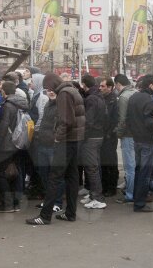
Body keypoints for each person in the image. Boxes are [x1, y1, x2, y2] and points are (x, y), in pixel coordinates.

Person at [28, 73, 85, 225]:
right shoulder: (72, 90)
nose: (48, 91)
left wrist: (57, 137)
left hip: (65, 141)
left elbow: (66, 121)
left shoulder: (64, 94)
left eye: (48, 88)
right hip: (75, 139)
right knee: (72, 178)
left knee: (54, 177)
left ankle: (45, 216)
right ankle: (70, 213)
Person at [0, 77, 28, 213]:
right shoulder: (21, 104)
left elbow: (4, 126)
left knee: (0, 173)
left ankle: (7, 204)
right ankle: (16, 203)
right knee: (15, 173)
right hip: (18, 143)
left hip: (6, 144)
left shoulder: (7, 105)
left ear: (4, 92)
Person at [126, 75, 153, 213]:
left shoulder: (133, 97)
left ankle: (136, 198)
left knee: (139, 170)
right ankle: (140, 203)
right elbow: (150, 122)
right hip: (147, 140)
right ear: (150, 85)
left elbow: (128, 119)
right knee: (145, 172)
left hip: (137, 139)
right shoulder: (149, 101)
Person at [79, 74, 107, 209]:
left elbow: (88, 121)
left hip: (91, 137)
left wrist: (82, 136)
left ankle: (97, 197)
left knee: (91, 168)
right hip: (99, 135)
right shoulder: (99, 96)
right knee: (94, 167)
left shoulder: (90, 98)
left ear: (84, 84)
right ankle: (93, 195)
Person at [113, 74, 138, 204]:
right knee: (136, 165)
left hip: (128, 135)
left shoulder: (123, 97)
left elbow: (122, 120)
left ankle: (129, 195)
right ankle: (135, 191)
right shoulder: (136, 92)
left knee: (129, 167)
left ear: (118, 84)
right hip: (138, 134)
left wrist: (118, 134)